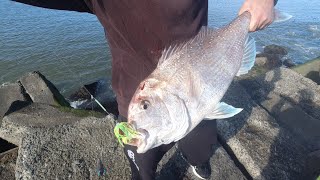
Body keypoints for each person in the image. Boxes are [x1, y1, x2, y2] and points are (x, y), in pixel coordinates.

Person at [12, 0, 278, 179]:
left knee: (201, 150)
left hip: (197, 94)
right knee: (141, 166)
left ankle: (198, 163)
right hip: (133, 97)